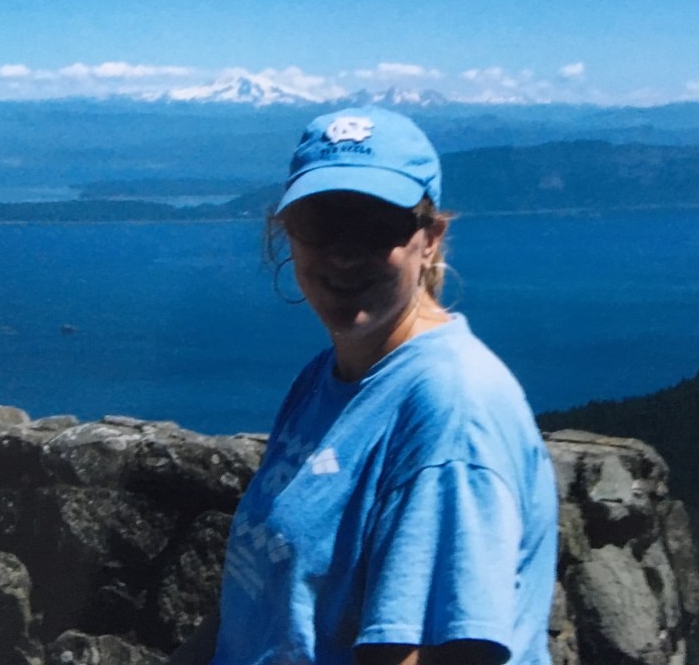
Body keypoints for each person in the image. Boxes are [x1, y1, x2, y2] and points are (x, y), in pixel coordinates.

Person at [174, 106, 558, 665]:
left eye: (377, 226)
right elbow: (257, 607)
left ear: (430, 238)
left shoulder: (450, 409)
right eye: (320, 224)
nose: (343, 253)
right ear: (287, 232)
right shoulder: (327, 377)